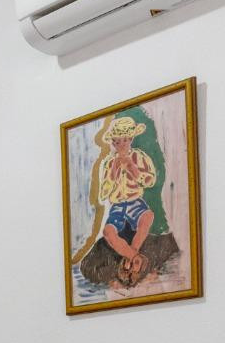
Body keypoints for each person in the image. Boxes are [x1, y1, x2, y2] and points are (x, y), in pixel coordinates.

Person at [73, 111, 179, 290]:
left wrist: (132, 168)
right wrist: (114, 172)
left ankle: (132, 253)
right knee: (108, 232)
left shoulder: (139, 157)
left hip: (135, 201)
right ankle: (134, 257)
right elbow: (103, 193)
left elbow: (150, 181)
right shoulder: (109, 162)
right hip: (117, 206)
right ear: (113, 143)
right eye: (116, 141)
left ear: (131, 139)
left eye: (124, 140)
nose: (120, 145)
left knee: (148, 216)